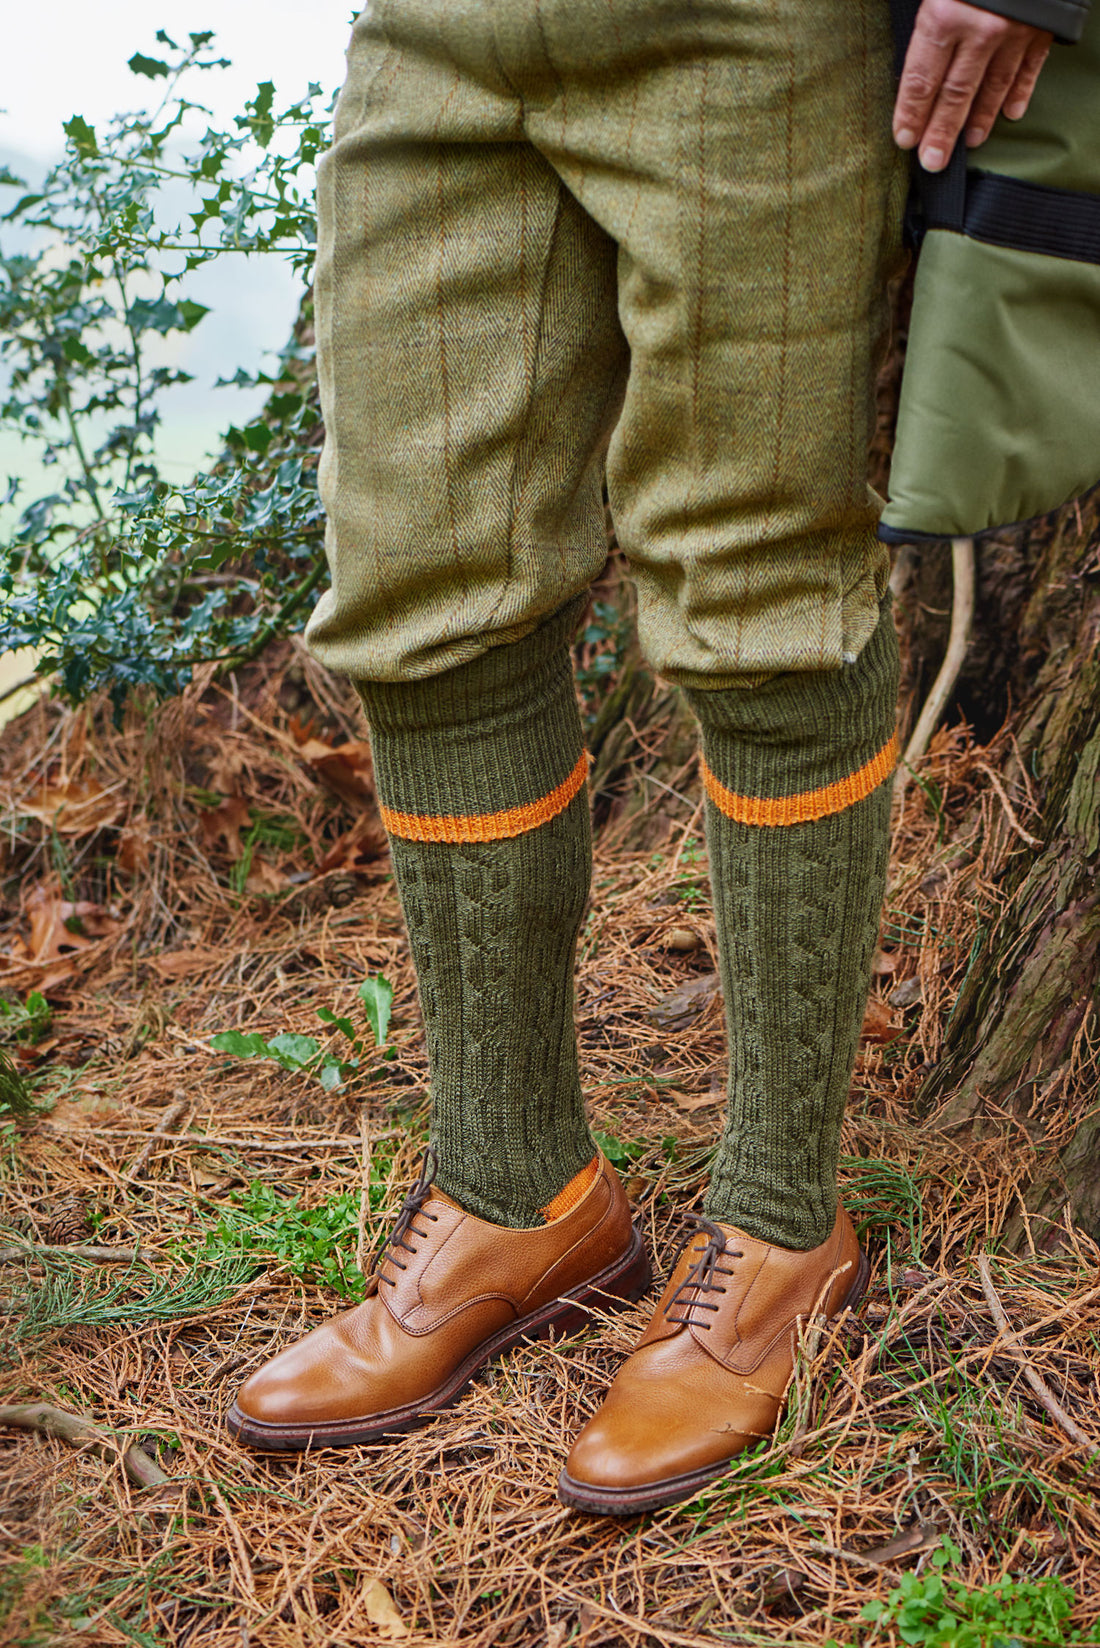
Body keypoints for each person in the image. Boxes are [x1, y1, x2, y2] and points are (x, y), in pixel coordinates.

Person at [227, 0, 1067, 1516]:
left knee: (759, 601)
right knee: (418, 591)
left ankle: (780, 1229)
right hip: (436, 32)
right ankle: (515, 1194)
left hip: (753, 33)